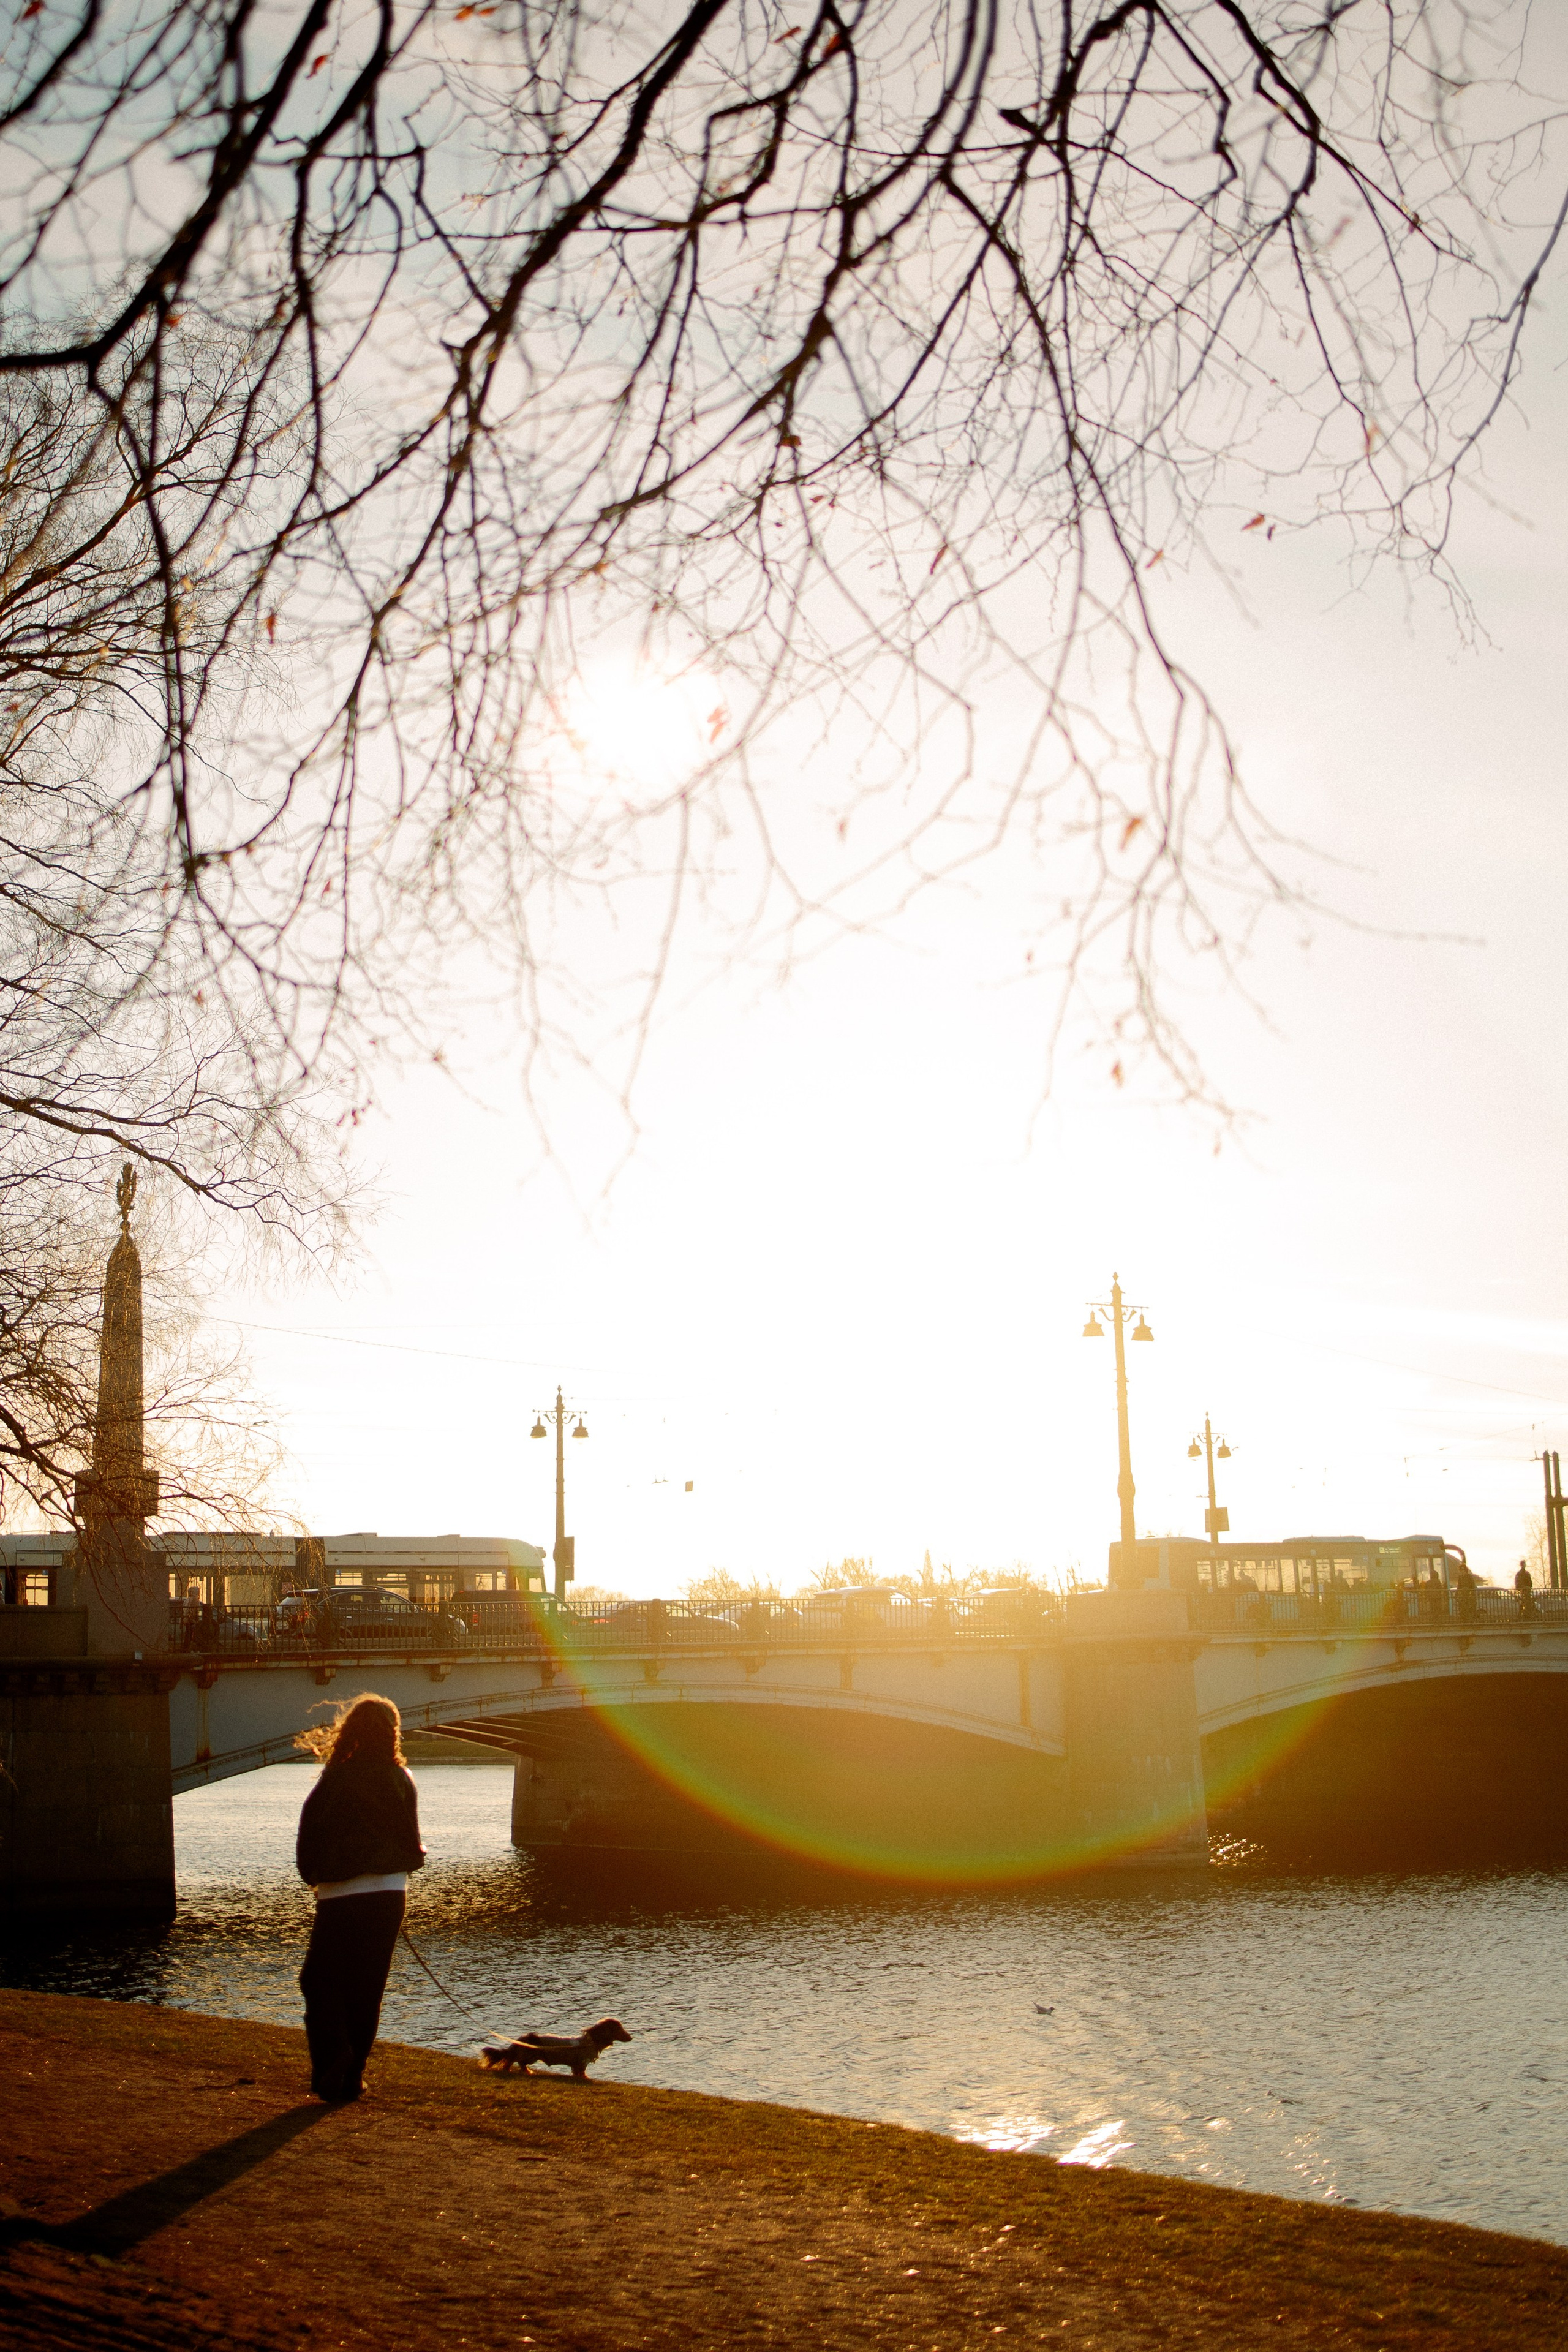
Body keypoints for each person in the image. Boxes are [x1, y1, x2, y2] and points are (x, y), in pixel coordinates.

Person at [295, 1694, 426, 2103]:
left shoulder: (336, 1777)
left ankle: (334, 2057)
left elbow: (309, 1832)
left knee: (320, 1979)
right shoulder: (402, 1779)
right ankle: (353, 2077)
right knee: (368, 1988)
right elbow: (412, 1841)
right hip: (390, 1894)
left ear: (350, 1730)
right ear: (392, 1734)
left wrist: (314, 1875)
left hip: (341, 1892)